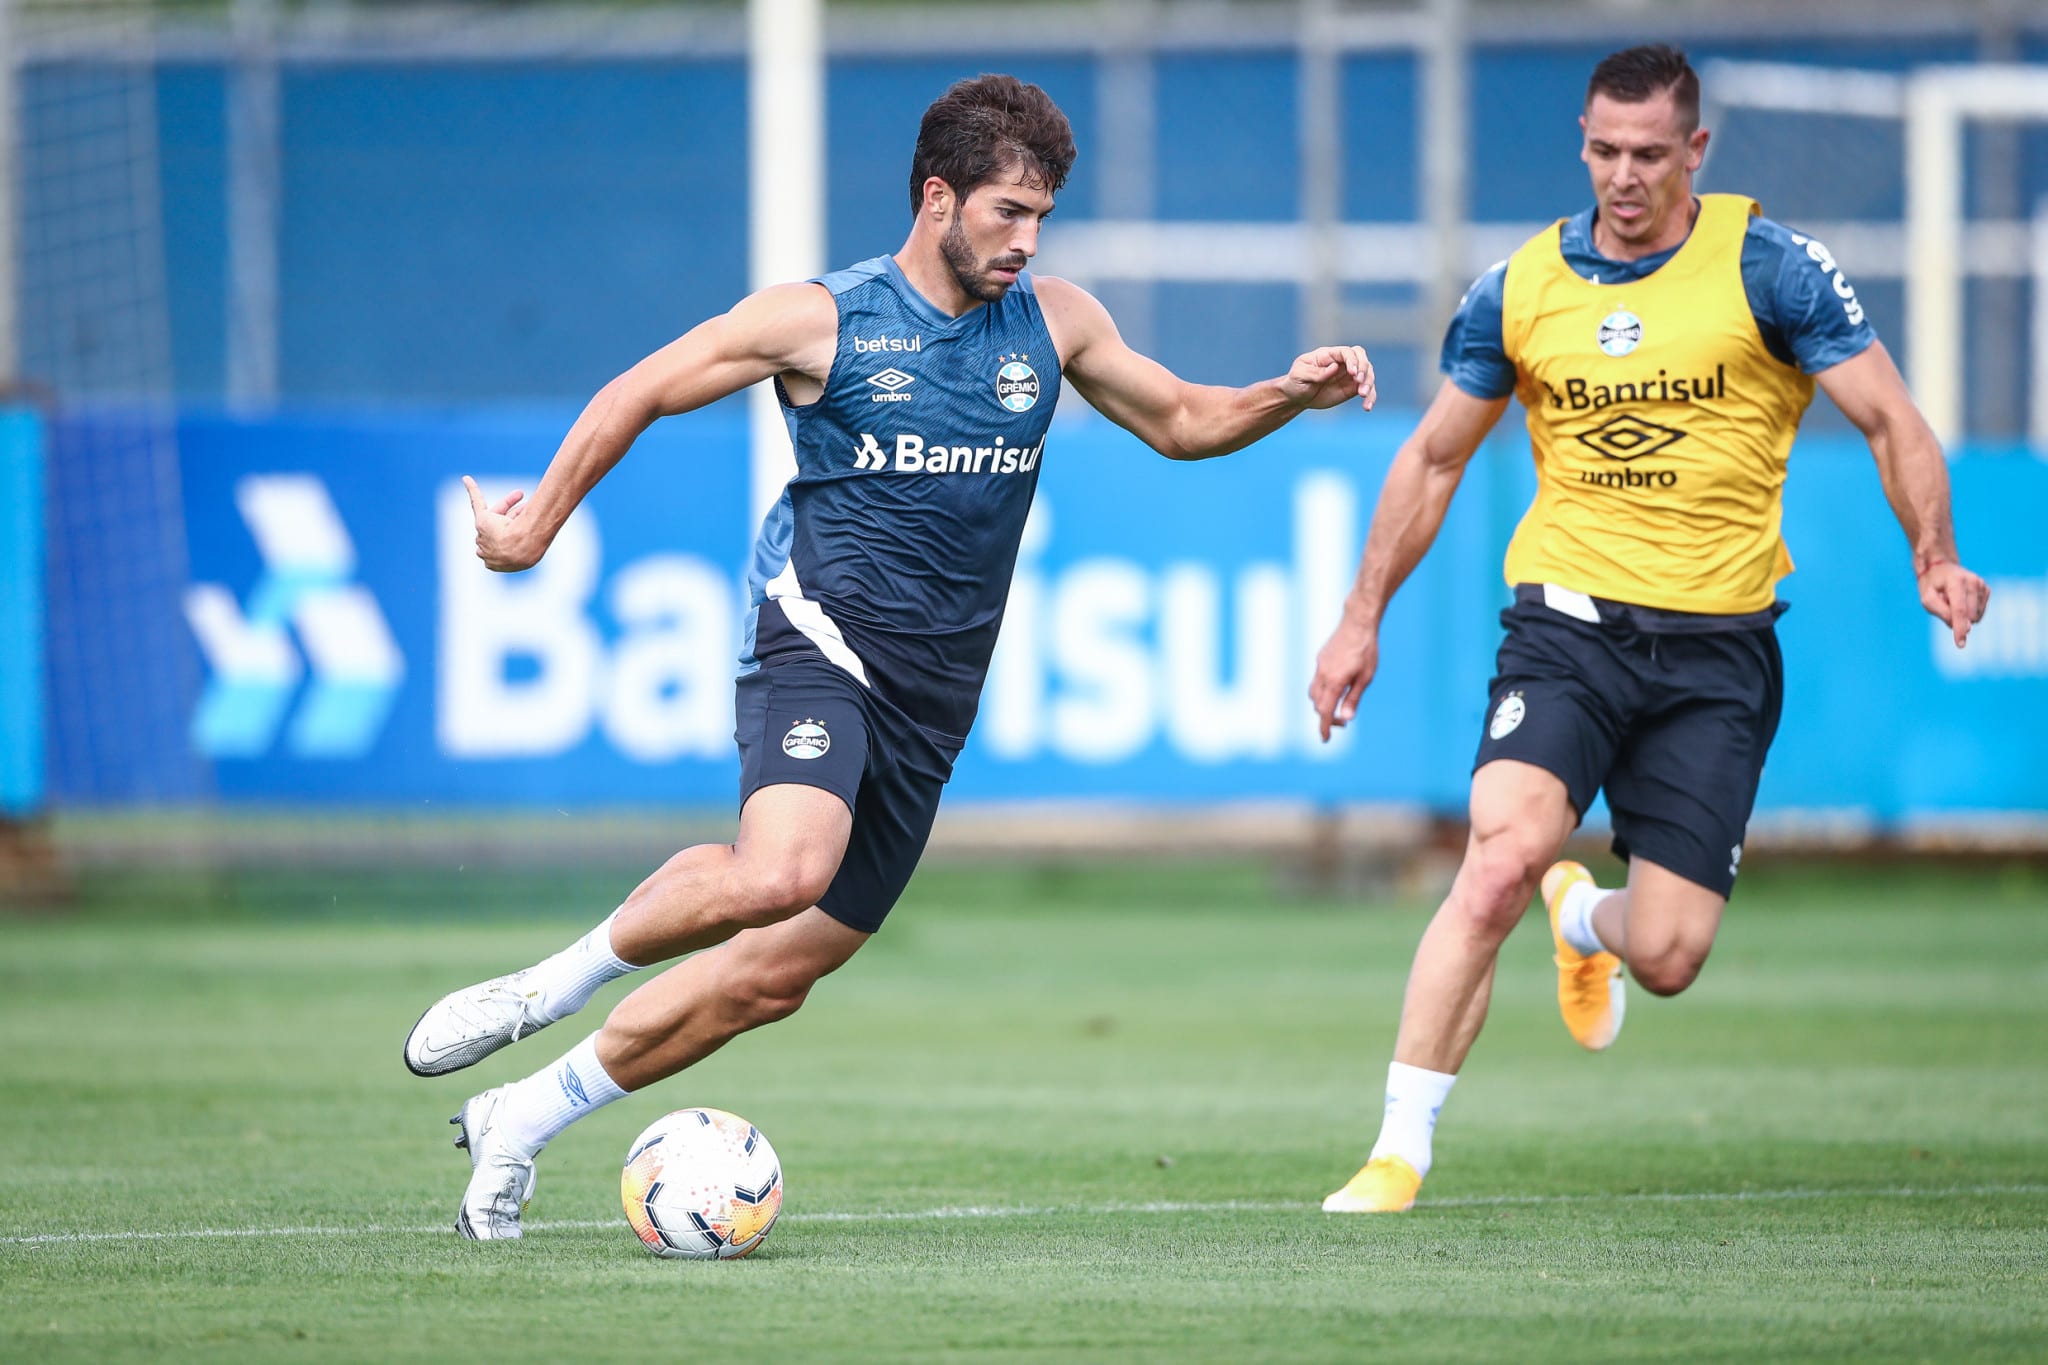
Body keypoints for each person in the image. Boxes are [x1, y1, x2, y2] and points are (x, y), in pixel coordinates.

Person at [405, 73, 1376, 1240]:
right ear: (936, 198)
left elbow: (1182, 421)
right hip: (817, 639)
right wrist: (535, 528)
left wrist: (1286, 390)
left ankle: (523, 1117)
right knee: (780, 870)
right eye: (1006, 212)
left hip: (930, 702)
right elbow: (642, 389)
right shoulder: (823, 320)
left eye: (1042, 216)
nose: (1026, 240)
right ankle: (548, 986)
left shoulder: (1055, 321)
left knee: (773, 976)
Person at [1308, 43, 1988, 1214]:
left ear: (1694, 151)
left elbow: (1889, 421)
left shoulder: (1770, 271)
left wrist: (1933, 552)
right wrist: (1356, 618)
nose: (1623, 176)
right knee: (1498, 857)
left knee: (1667, 957)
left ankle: (1588, 919)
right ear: (1581, 142)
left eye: (1648, 154)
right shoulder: (1519, 288)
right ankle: (1395, 1152)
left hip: (1716, 651)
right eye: (1603, 151)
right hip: (1564, 631)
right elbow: (1430, 460)